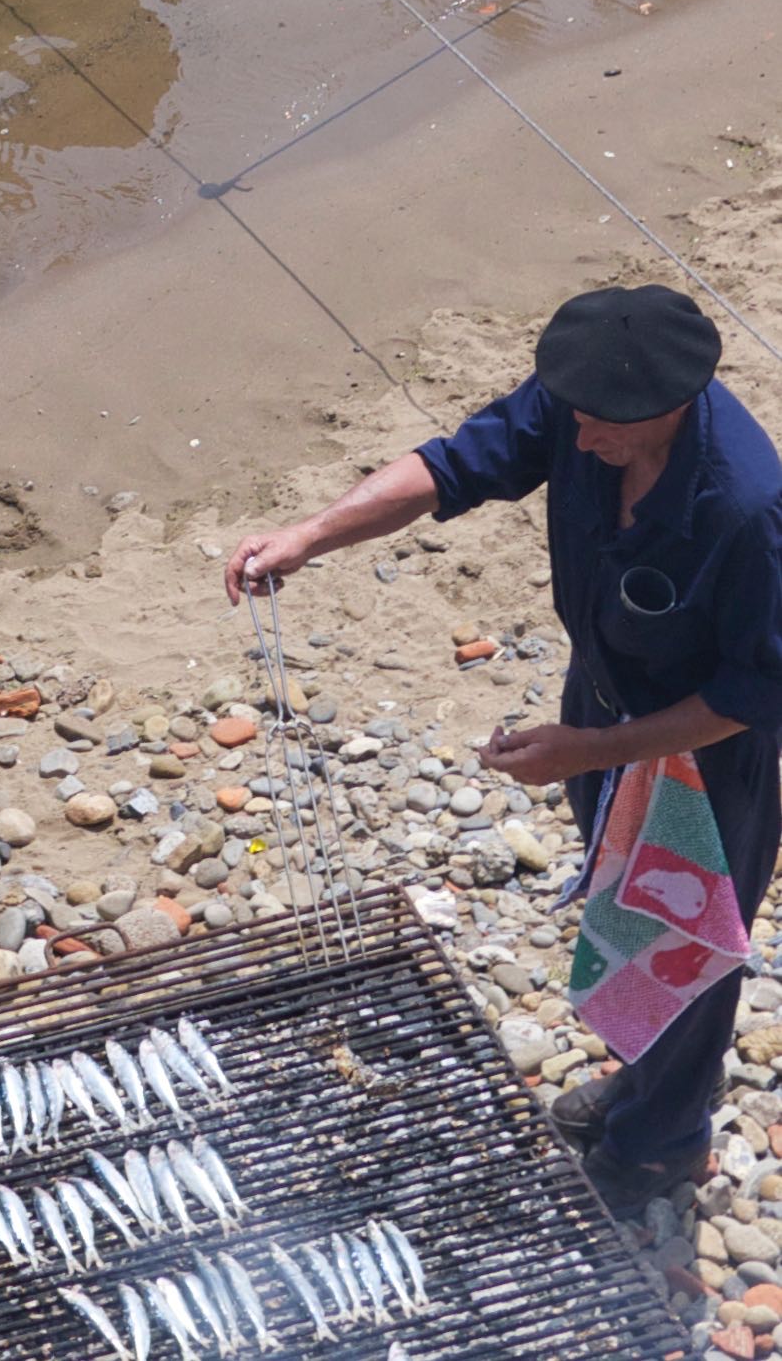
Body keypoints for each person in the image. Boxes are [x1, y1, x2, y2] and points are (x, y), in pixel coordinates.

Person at [225, 282, 782, 1213]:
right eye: (571, 416)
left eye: (602, 429)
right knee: (620, 906)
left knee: (686, 940)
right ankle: (643, 1082)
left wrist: (593, 749)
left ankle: (662, 1141)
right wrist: (308, 536)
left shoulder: (748, 510)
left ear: (672, 408)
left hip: (702, 747)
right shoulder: (581, 404)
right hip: (598, 712)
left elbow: (749, 692)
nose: (579, 441)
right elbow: (453, 467)